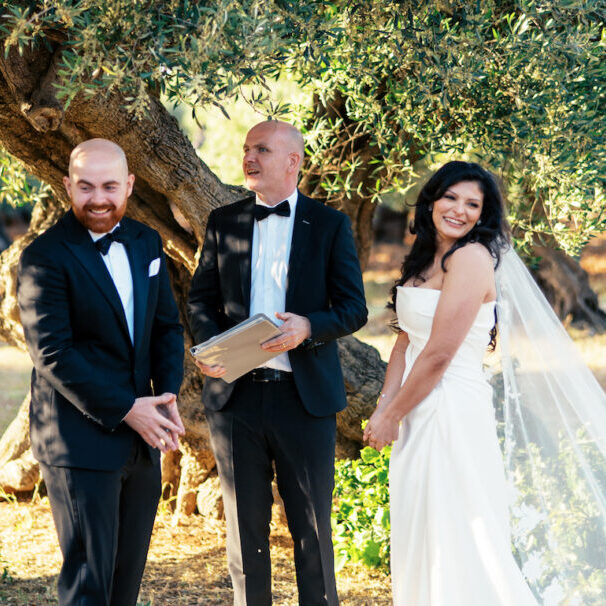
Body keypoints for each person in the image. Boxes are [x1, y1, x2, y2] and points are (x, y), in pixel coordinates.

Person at [188, 120, 367, 606]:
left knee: (311, 529)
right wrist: (213, 346)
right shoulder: (223, 222)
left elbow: (354, 308)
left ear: (293, 162)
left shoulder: (329, 225)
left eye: (261, 149)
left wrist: (309, 326)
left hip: (304, 400)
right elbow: (200, 300)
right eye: (247, 149)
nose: (249, 157)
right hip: (236, 399)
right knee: (245, 533)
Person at [17, 138, 185, 606]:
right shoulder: (43, 257)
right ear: (68, 186)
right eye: (86, 186)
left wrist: (166, 398)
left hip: (141, 435)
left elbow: (166, 327)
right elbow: (52, 353)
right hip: (78, 440)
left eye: (110, 186)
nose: (98, 199)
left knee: (124, 584)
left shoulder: (147, 241)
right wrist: (128, 409)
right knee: (90, 586)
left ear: (129, 185)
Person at [364, 161, 539, 605]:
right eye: (451, 197)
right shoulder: (426, 256)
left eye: (472, 204)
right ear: (432, 199)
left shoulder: (471, 258)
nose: (459, 210)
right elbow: (406, 342)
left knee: (457, 530)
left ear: (484, 215)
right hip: (414, 406)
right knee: (420, 524)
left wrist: (393, 415)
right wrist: (385, 408)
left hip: (451, 410)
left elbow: (439, 354)